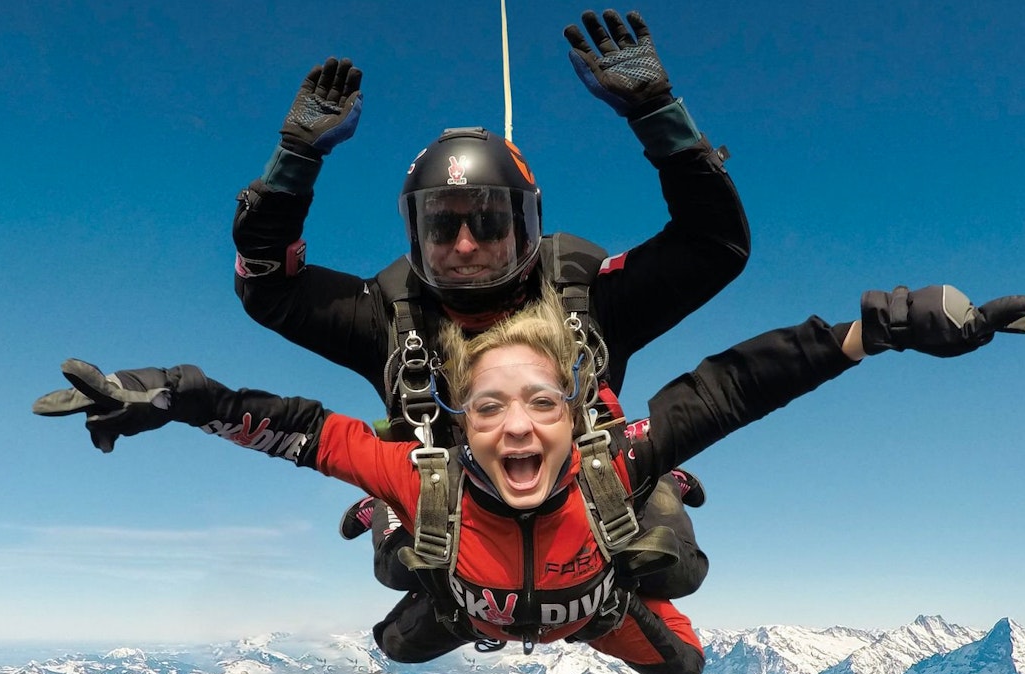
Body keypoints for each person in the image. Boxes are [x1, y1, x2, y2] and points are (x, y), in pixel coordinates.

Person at [33, 283, 1025, 674]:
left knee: (683, 659)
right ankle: (410, 553)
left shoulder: (617, 460)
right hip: (467, 599)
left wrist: (880, 331)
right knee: (395, 637)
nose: (517, 425)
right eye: (489, 407)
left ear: (577, 412)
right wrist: (180, 396)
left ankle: (636, 550)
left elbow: (736, 385)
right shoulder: (416, 469)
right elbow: (291, 426)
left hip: (594, 606)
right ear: (458, 420)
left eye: (543, 404)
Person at [230, 10, 748, 600]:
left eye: (489, 221)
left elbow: (713, 248)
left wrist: (659, 115)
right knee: (412, 571)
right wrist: (294, 160)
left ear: (526, 227)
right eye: (443, 228)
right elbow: (268, 286)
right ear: (415, 237)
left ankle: (656, 477)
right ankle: (386, 505)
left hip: (586, 483)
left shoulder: (582, 296)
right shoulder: (390, 315)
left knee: (670, 566)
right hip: (447, 495)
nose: (467, 245)